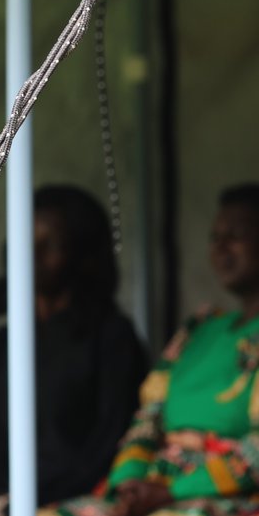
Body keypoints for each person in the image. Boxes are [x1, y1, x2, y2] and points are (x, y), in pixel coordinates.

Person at [0, 185, 149, 516]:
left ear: (83, 256)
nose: (31, 255)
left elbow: (110, 453)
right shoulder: (1, 346)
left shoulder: (112, 339)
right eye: (24, 241)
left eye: (49, 245)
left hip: (79, 499)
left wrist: (19, 496)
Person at [45, 183, 259, 516]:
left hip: (220, 494)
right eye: (215, 237)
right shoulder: (199, 330)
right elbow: (148, 419)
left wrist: (172, 491)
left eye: (237, 234)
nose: (221, 247)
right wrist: (127, 484)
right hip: (155, 486)